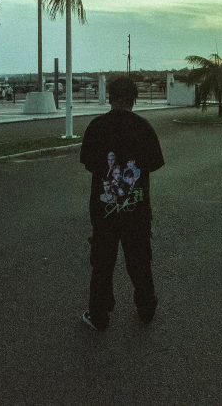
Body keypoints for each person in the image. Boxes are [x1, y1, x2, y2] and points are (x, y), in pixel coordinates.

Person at [80, 76, 164, 331]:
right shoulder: (144, 127)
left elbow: (89, 164)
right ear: (133, 99)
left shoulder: (97, 126)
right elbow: (154, 164)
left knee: (103, 263)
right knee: (139, 260)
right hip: (137, 210)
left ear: (110, 96)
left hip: (104, 211)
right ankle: (146, 308)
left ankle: (99, 315)